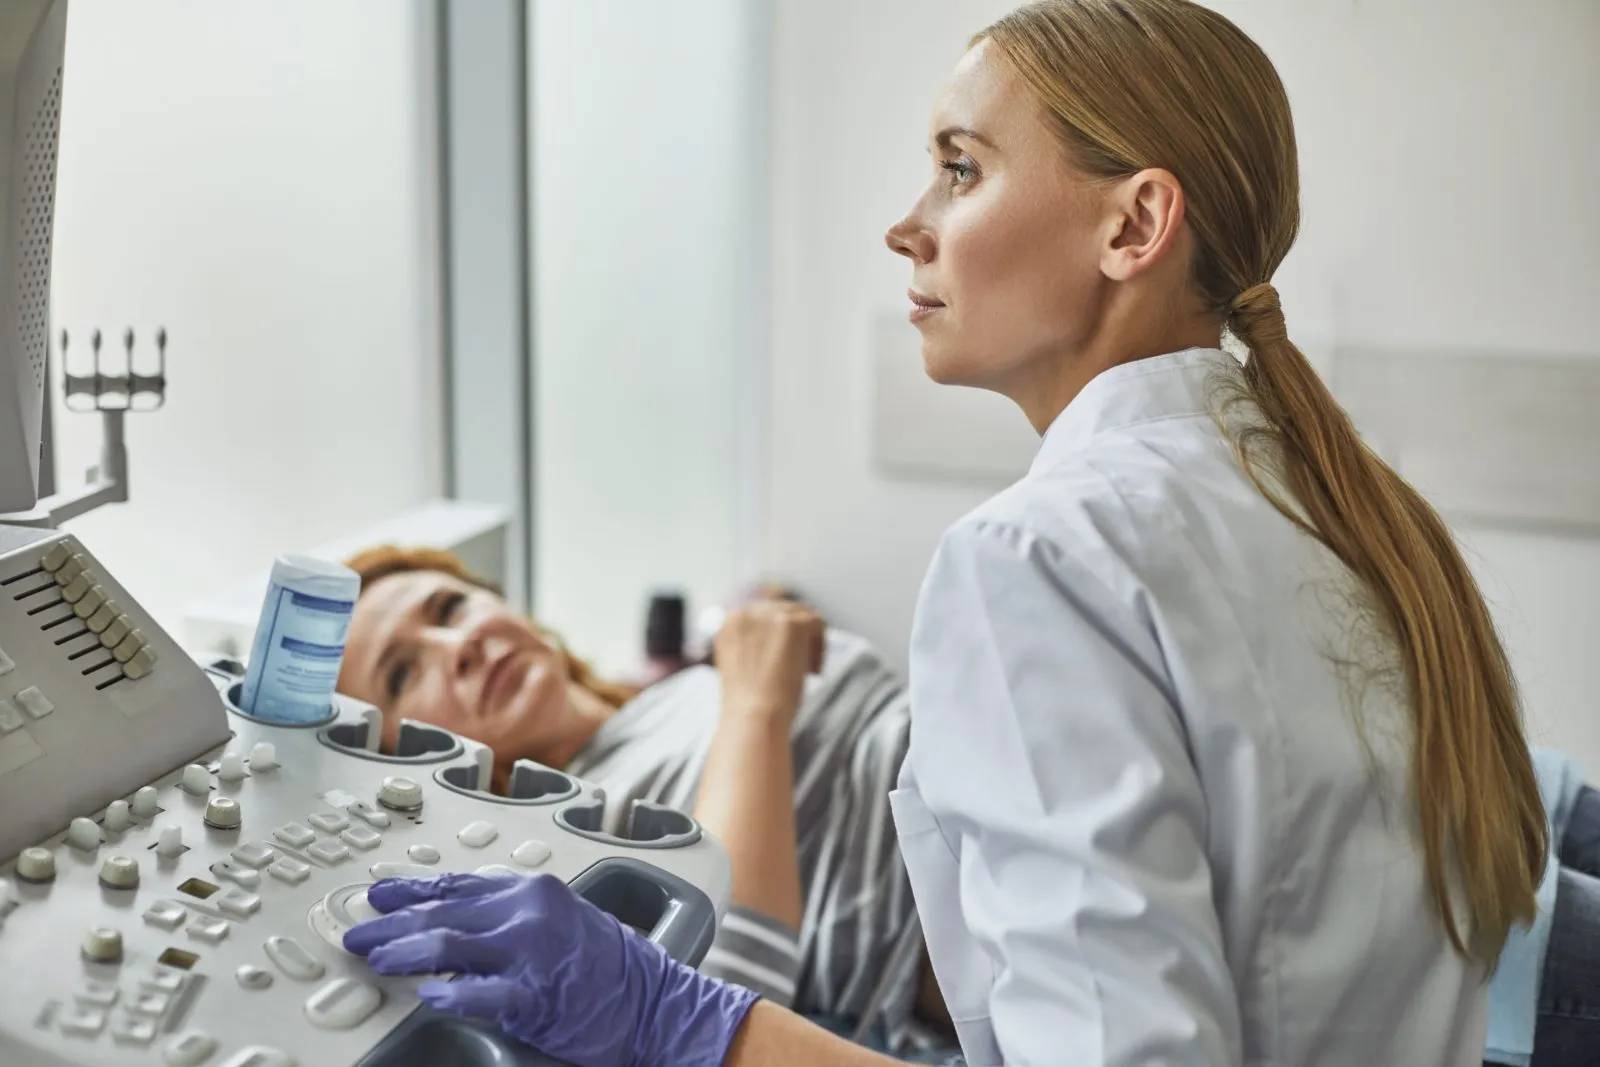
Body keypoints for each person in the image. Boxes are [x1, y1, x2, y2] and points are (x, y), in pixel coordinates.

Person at [342, 2, 1549, 1064]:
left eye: (960, 170)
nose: (906, 226)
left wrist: (685, 1026)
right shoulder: (1304, 490)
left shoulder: (1046, 560)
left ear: (1133, 227)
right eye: (400, 671)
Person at [335, 546, 957, 1055]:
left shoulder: (665, 694)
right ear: (396, 756)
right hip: (978, 890)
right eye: (403, 674)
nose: (459, 646)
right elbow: (717, 1006)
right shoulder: (569, 855)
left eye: (451, 607)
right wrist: (756, 701)